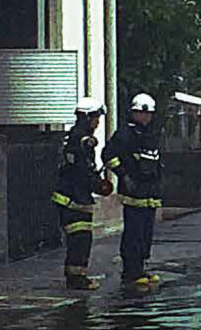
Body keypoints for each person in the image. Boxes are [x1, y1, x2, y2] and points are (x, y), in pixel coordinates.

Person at [102, 93, 164, 295]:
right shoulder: (125, 134)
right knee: (134, 233)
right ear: (135, 112)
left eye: (149, 114)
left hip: (150, 193)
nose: (147, 118)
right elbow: (108, 155)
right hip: (134, 193)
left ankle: (140, 268)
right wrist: (124, 175)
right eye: (143, 114)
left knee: (146, 234)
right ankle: (131, 271)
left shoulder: (150, 134)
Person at [52, 98, 107, 290]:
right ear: (86, 117)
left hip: (73, 196)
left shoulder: (74, 136)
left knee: (80, 239)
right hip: (74, 198)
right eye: (95, 118)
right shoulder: (81, 140)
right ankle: (77, 280)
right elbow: (82, 171)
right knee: (80, 239)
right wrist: (99, 186)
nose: (98, 122)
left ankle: (75, 277)